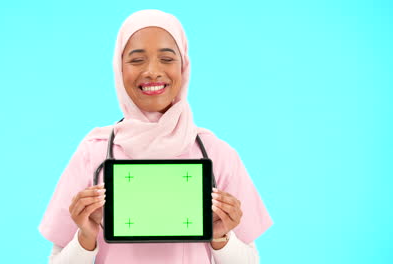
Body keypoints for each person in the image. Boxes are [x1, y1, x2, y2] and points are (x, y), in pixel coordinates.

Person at [39, 9, 272, 264]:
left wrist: (221, 238)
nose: (152, 71)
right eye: (137, 60)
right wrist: (86, 237)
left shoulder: (217, 154)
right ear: (119, 67)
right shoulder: (92, 154)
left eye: (167, 58)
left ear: (184, 67)